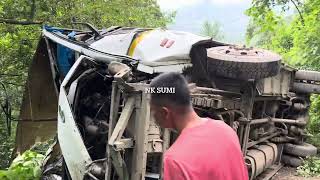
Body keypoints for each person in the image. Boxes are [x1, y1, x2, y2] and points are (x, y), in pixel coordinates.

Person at [149, 72, 248, 180]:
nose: (153, 116)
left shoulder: (175, 160)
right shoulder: (226, 130)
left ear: (165, 113)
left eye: (153, 111)